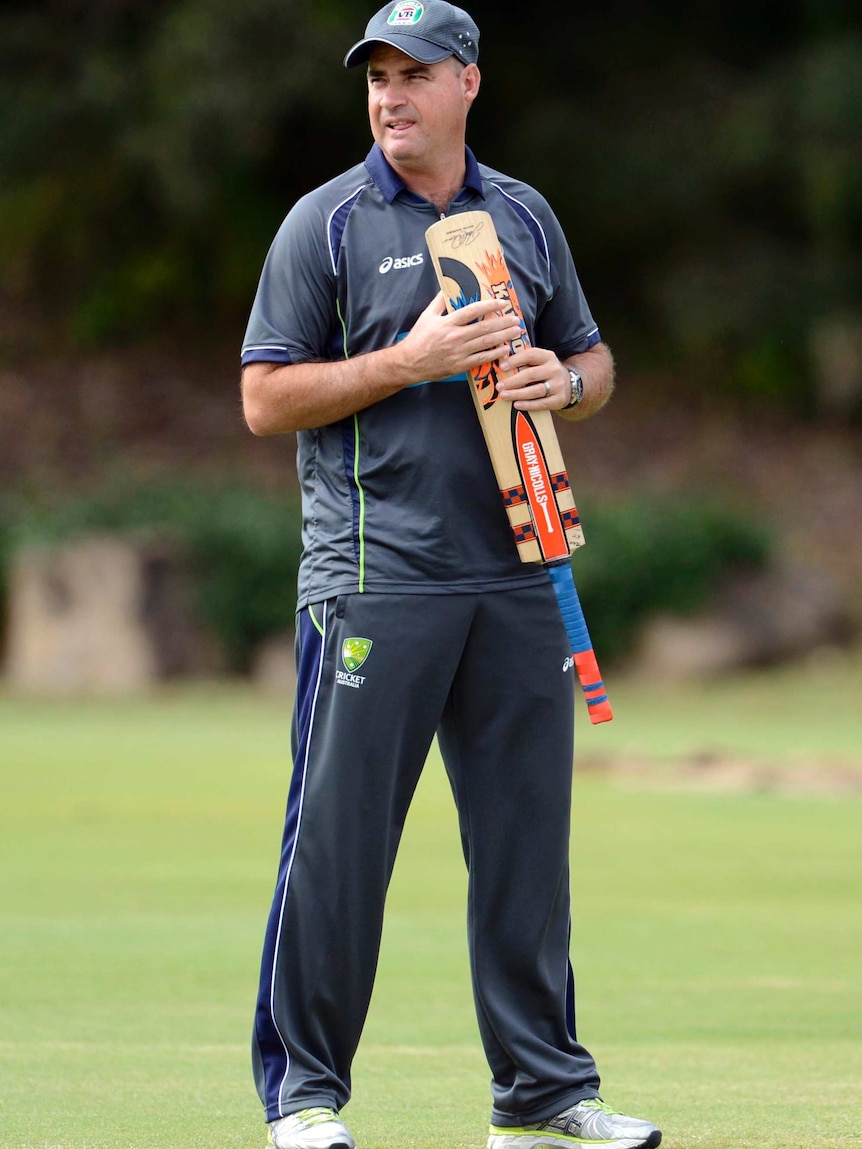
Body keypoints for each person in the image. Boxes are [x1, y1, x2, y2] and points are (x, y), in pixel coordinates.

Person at [240, 3, 662, 1148]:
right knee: (336, 847)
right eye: (376, 76)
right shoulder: (322, 225)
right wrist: (408, 361)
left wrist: (561, 388)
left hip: (521, 572)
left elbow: (593, 357)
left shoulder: (521, 213)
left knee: (525, 846)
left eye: (414, 74)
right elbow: (264, 397)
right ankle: (306, 1098)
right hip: (377, 577)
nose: (390, 95)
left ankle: (539, 1095)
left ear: (467, 82)